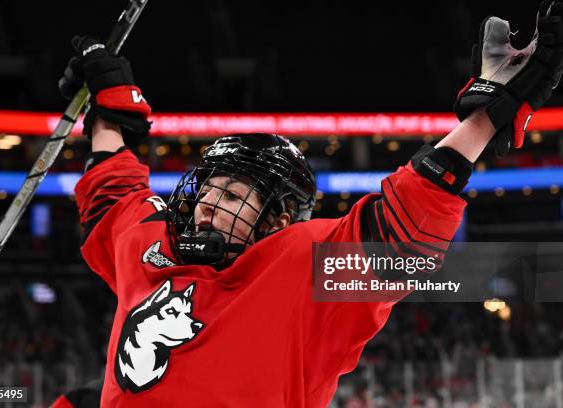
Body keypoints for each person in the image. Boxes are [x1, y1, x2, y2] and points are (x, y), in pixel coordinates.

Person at [52, 2, 563, 406]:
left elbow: (399, 234)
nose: (208, 204)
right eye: (208, 190)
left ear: (275, 219)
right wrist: (108, 109)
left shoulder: (299, 267)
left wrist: (487, 118)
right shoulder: (153, 248)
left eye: (231, 195)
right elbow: (115, 198)